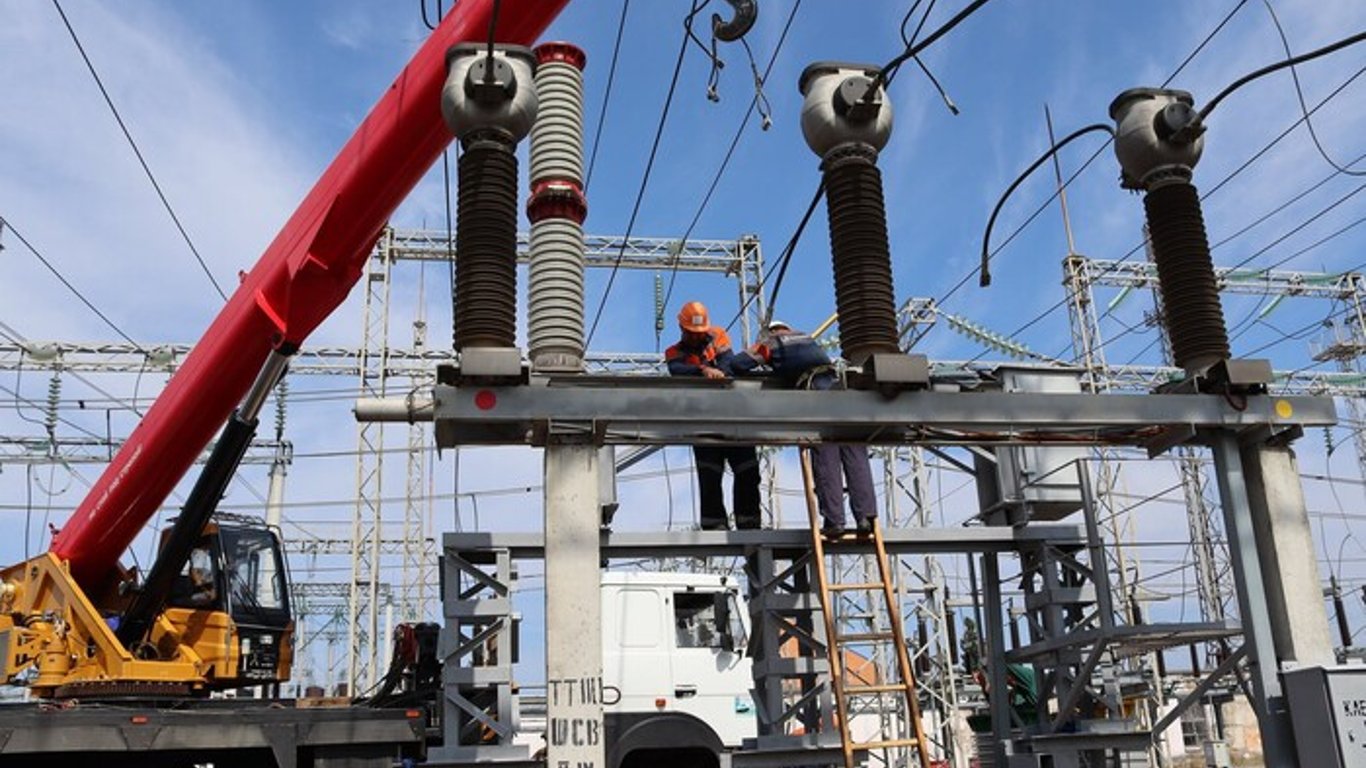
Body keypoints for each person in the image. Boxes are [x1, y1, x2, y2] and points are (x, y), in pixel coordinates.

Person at [733, 320, 877, 538]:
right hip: (840, 390)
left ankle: (835, 521)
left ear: (770, 332)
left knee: (826, 453)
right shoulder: (806, 338)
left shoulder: (772, 343)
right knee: (853, 449)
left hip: (817, 393)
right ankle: (866, 517)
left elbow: (739, 364)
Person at [665, 301, 762, 531]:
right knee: (709, 475)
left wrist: (713, 369)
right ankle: (714, 525)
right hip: (703, 422)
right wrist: (703, 370)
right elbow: (677, 371)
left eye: (699, 332)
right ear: (682, 329)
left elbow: (729, 366)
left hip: (733, 417)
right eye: (692, 332)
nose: (697, 336)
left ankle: (749, 523)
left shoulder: (717, 335)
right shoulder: (673, 352)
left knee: (747, 470)